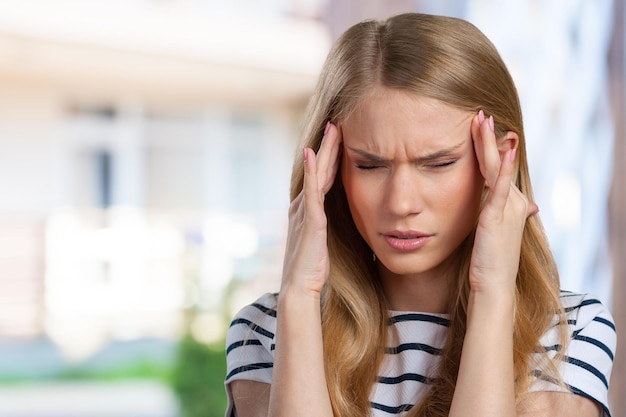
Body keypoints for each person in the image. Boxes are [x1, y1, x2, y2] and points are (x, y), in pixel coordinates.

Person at [223, 12, 616, 417]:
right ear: (332, 166)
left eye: (438, 163)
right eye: (370, 165)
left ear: (497, 162)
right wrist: (300, 296)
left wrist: (492, 291)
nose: (401, 203)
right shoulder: (267, 329)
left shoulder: (570, 332)